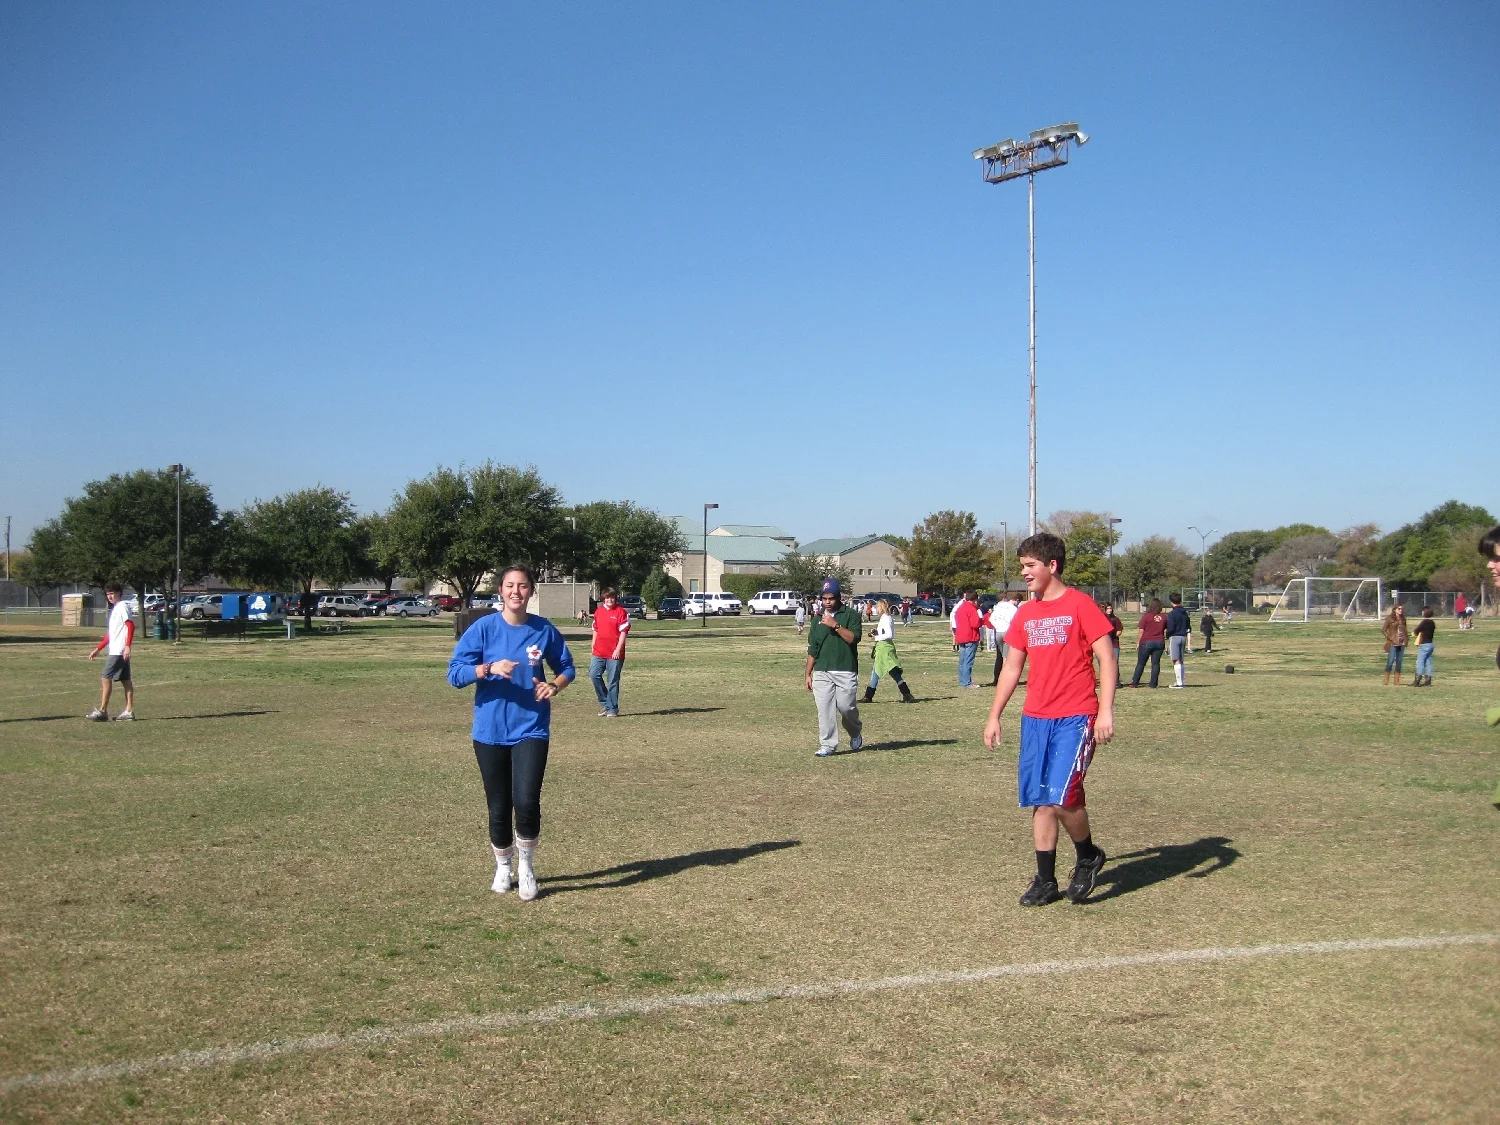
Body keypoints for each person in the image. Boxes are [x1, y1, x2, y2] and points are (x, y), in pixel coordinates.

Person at [984, 533, 1117, 907]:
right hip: (1036, 718)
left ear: (1052, 565)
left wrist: (1106, 710)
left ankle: (1087, 855)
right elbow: (1012, 668)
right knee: (1041, 799)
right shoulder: (1026, 613)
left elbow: (1107, 658)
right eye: (1022, 566)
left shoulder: (1080, 605)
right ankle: (1045, 880)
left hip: (1076, 716)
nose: (1024, 573)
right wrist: (994, 715)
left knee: (1062, 796)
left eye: (1030, 566)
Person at [447, 564, 576, 901]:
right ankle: (503, 866)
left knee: (527, 801)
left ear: (531, 591)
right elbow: (455, 674)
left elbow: (567, 667)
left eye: (522, 585)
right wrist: (488, 668)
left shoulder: (543, 629)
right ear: (500, 590)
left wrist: (554, 685)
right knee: (499, 805)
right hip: (489, 730)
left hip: (531, 727)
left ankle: (526, 866)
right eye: (509, 585)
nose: (516, 591)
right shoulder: (483, 629)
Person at [805, 578, 864, 758]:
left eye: (831, 598)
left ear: (838, 598)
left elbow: (853, 638)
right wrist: (808, 673)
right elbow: (813, 648)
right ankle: (828, 745)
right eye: (824, 598)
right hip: (822, 670)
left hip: (845, 669)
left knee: (846, 708)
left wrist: (835, 625)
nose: (827, 602)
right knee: (825, 710)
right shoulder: (817, 620)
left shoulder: (851, 615)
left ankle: (855, 732)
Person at [86, 581, 137, 721]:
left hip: (119, 651)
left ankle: (103, 711)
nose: (109, 596)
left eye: (112, 593)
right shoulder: (115, 609)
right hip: (116, 650)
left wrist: (127, 646)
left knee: (105, 677)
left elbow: (130, 626)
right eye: (107, 594)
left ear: (119, 593)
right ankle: (129, 711)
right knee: (126, 680)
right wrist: (98, 649)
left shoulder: (122, 606)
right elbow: (111, 635)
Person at [862, 599, 915, 704]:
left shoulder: (887, 618)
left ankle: (907, 694)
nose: (876, 609)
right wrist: (876, 633)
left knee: (887, 671)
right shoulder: (884, 618)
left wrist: (877, 637)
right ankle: (868, 696)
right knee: (880, 672)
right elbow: (884, 633)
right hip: (881, 648)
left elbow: (890, 634)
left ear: (881, 607)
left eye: (877, 607)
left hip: (885, 649)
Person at [588, 586, 630, 718]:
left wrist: (618, 649)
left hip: (614, 654)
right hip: (599, 651)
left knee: (612, 681)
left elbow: (623, 632)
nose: (609, 600)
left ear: (615, 598)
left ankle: (612, 708)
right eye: (607, 598)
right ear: (603, 599)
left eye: (612, 597)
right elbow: (595, 629)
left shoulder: (621, 612)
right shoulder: (599, 611)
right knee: (594, 675)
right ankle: (605, 703)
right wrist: (593, 644)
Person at [1130, 599, 1168, 688]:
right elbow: (1166, 630)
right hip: (1159, 642)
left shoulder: (1146, 616)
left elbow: (1141, 631)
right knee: (1155, 664)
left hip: (1146, 642)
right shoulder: (1164, 617)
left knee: (1141, 663)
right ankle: (1153, 684)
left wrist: (1138, 642)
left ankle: (1135, 682)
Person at [988, 592, 1021, 686]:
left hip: (998, 632)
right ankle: (1005, 679)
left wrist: (998, 626)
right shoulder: (1013, 608)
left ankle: (997, 678)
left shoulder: (998, 607)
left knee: (1000, 656)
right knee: (1007, 657)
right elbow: (1016, 620)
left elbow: (991, 619)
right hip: (1008, 631)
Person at [952, 589, 982, 688]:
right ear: (975, 599)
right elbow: (975, 624)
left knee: (962, 660)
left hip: (961, 636)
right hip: (971, 636)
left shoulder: (960, 608)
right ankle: (967, 682)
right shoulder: (972, 609)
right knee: (968, 661)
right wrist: (981, 621)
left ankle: (962, 681)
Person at [1164, 592, 1191, 689]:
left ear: (1171, 602)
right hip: (1183, 636)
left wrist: (1167, 635)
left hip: (1175, 636)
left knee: (1175, 659)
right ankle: (1181, 681)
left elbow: (1171, 627)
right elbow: (1188, 625)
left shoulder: (1172, 614)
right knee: (1181, 659)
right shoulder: (1185, 612)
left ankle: (1179, 683)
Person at [1382, 603, 1408, 686]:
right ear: (1395, 610)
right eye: (1399, 609)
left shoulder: (1403, 618)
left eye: (1401, 609)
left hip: (1402, 642)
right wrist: (1390, 637)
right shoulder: (1390, 618)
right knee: (1390, 661)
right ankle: (1386, 679)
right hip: (1393, 642)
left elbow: (1405, 629)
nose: (1401, 610)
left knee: (1399, 662)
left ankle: (1397, 680)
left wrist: (1406, 638)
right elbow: (1384, 630)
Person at [1100, 602, 1124, 687]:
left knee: (1115, 662)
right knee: (1104, 663)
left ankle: (1116, 681)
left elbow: (1119, 630)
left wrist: (1114, 635)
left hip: (1114, 644)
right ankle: (1106, 681)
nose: (1109, 610)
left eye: (1110, 608)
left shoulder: (1115, 619)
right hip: (1104, 645)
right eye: (1108, 608)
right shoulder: (1101, 618)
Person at [1411, 606, 1436, 687]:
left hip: (1424, 644)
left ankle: (1417, 680)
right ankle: (1428, 680)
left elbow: (1416, 631)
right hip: (1430, 644)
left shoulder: (1424, 622)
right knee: (1428, 662)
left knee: (1420, 662)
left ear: (1425, 613)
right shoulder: (1432, 622)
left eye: (1422, 611)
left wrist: (1413, 633)